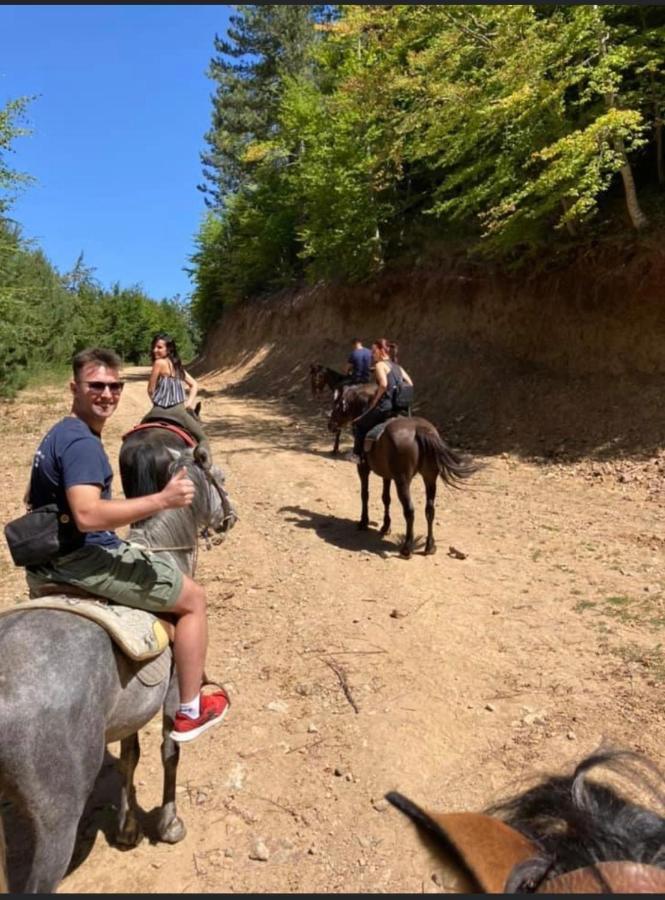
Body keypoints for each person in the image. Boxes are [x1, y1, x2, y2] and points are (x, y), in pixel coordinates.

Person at [24, 347, 229, 743]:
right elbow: (86, 515)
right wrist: (163, 500)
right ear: (74, 387)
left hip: (44, 560)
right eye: (96, 385)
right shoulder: (83, 445)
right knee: (193, 600)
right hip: (78, 559)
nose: (107, 394)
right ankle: (189, 708)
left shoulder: (58, 434)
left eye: (114, 386)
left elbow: (33, 498)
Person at [143, 332, 212, 462]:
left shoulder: (158, 363)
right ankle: (207, 469)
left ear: (169, 349)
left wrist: (156, 403)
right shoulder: (178, 367)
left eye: (159, 347)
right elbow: (194, 385)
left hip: (157, 410)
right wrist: (188, 403)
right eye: (154, 347)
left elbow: (150, 390)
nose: (154, 350)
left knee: (138, 432)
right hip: (179, 411)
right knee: (203, 438)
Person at [347, 338, 414, 464]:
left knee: (359, 423)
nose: (372, 355)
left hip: (385, 406)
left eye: (373, 351)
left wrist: (374, 402)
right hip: (399, 408)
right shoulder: (397, 366)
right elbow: (410, 383)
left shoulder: (379, 365)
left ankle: (357, 455)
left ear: (380, 350)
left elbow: (383, 385)